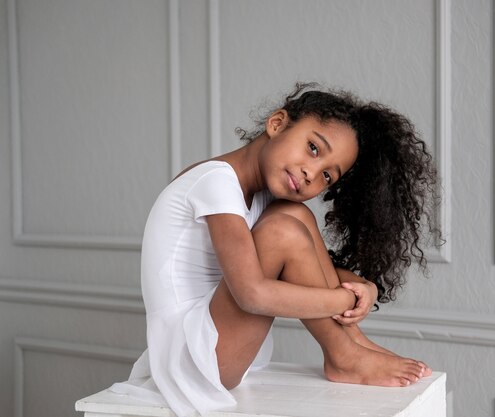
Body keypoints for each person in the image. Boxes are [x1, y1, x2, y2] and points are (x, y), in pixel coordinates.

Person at [111, 83, 443, 417]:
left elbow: (311, 267)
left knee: (293, 215)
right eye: (313, 148)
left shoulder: (265, 196)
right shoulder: (215, 182)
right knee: (284, 230)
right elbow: (251, 294)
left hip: (220, 343)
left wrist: (363, 287)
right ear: (277, 124)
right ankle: (343, 354)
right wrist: (344, 299)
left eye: (327, 176)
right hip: (194, 357)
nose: (311, 174)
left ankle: (353, 343)